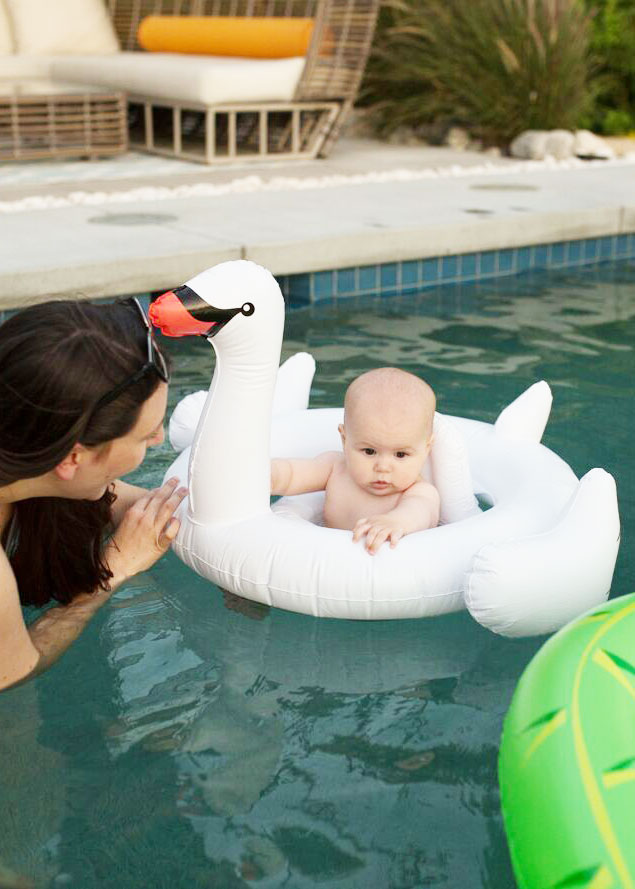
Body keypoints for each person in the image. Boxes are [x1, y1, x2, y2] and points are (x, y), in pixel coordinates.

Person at [0, 297, 187, 692]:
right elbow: (15, 673)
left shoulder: (24, 441)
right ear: (72, 457)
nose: (159, 439)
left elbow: (151, 510)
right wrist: (116, 567)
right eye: (145, 434)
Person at [271, 367, 440, 554]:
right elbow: (292, 474)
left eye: (400, 455)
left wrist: (395, 521)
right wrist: (269, 475)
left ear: (427, 448)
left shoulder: (420, 492)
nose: (383, 467)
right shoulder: (335, 468)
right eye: (369, 451)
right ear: (344, 440)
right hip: (325, 559)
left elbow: (419, 512)